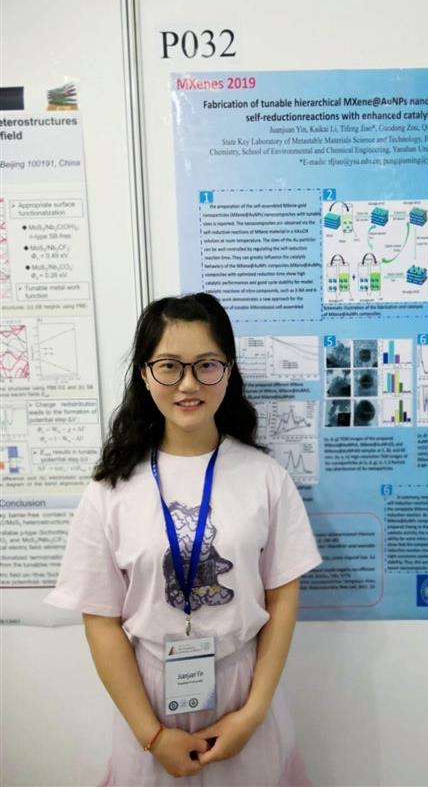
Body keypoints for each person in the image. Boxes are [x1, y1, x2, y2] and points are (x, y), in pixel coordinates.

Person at [45, 293, 322, 786]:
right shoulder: (110, 490)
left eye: (207, 365)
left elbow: (283, 595)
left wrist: (253, 714)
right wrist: (151, 735)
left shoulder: (265, 477)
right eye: (170, 366)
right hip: (149, 694)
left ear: (228, 371)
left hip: (243, 686)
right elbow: (100, 620)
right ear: (144, 373)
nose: (189, 384)